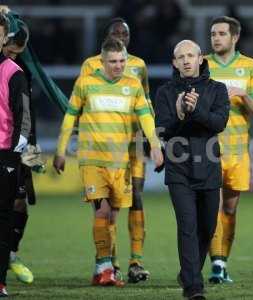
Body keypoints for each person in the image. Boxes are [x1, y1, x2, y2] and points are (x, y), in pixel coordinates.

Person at [53, 38, 163, 287]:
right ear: (101, 62)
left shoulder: (133, 84)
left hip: (120, 162)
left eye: (122, 61)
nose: (118, 66)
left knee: (112, 217)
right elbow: (71, 118)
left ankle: (101, 267)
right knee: (102, 211)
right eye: (113, 61)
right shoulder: (86, 83)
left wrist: (155, 145)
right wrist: (61, 150)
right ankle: (105, 268)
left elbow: (145, 118)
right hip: (92, 160)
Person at [155, 40, 229, 300]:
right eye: (180, 57)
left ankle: (189, 273)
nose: (186, 60)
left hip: (209, 168)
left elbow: (218, 123)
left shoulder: (218, 90)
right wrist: (179, 115)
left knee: (207, 228)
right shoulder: (164, 92)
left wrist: (194, 111)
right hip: (179, 170)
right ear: (174, 62)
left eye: (191, 55)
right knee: (187, 225)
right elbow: (162, 131)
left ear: (201, 59)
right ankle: (193, 288)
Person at [80, 17, 152, 283]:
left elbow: (146, 101)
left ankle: (136, 261)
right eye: (116, 33)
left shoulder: (139, 66)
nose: (122, 36)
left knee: (138, 198)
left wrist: (151, 135)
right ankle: (111, 263)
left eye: (126, 33)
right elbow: (84, 99)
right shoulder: (91, 65)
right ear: (107, 38)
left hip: (133, 144)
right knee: (106, 207)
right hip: (105, 147)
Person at [206, 16, 253, 283]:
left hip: (239, 151)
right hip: (208, 149)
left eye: (221, 33)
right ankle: (216, 264)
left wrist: (241, 92)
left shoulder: (249, 66)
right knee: (212, 209)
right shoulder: (202, 64)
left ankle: (223, 262)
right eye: (213, 33)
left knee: (230, 210)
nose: (216, 38)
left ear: (234, 37)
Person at [0, 11, 30, 297]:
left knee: (12, 211)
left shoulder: (17, 72)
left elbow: (24, 117)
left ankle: (5, 266)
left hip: (8, 152)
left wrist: (20, 152)